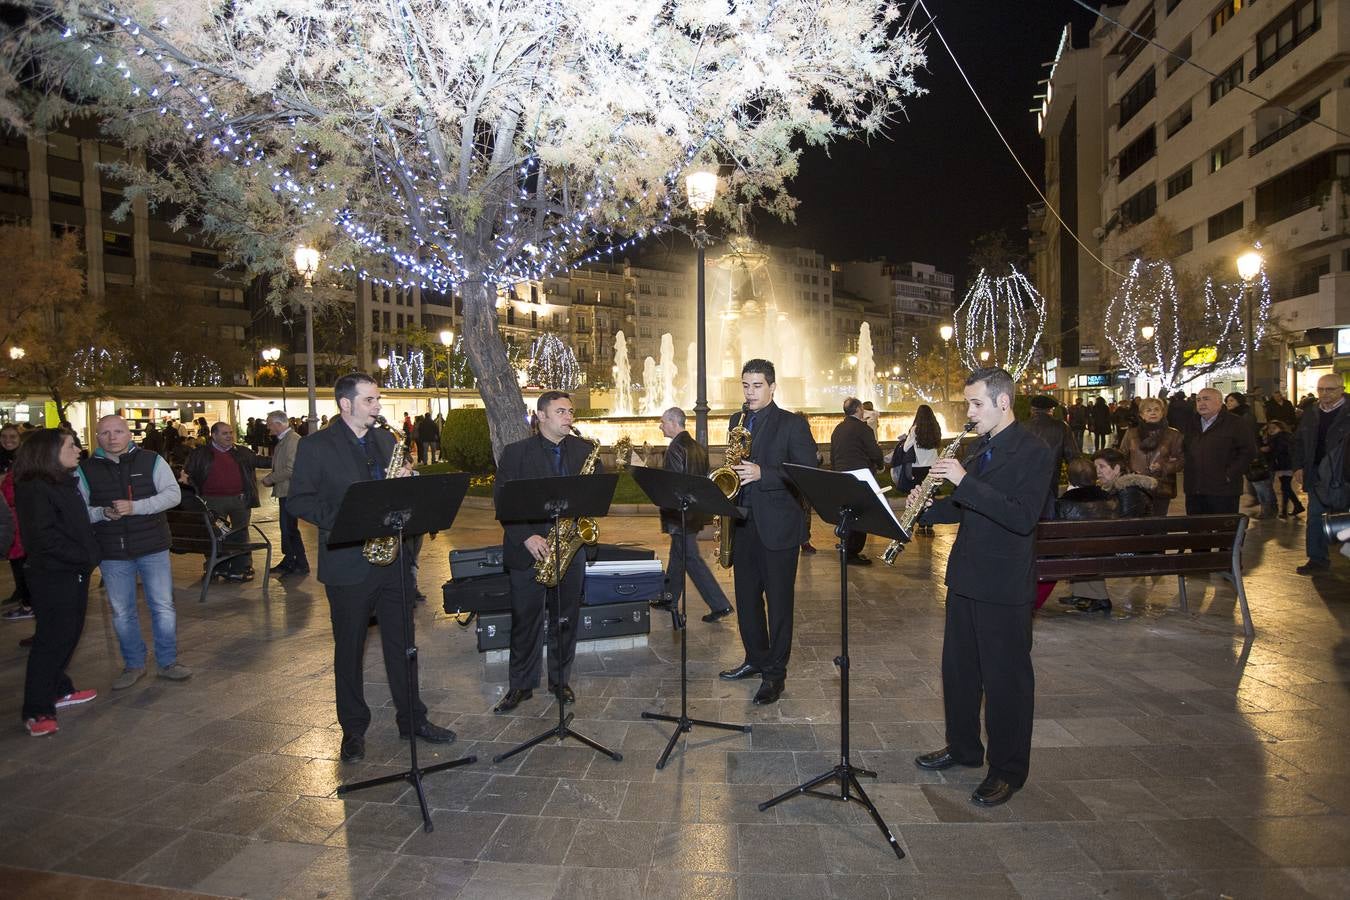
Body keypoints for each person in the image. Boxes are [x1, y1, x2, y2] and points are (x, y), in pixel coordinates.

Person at [287, 373, 456, 762]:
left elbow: (395, 494)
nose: (377, 406)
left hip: (391, 562)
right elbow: (299, 501)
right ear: (345, 404)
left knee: (404, 646)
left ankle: (412, 718)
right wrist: (346, 517)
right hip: (348, 564)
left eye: (377, 399)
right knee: (349, 650)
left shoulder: (385, 440)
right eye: (369, 400)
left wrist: (407, 483)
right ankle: (353, 729)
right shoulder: (316, 446)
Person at [913, 367, 1055, 807]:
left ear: (1003, 403)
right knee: (959, 673)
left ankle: (1008, 770)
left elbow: (1020, 516)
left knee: (1005, 681)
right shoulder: (980, 446)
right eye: (968, 404)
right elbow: (963, 506)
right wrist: (921, 510)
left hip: (1004, 583)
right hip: (966, 576)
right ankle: (963, 748)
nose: (969, 413)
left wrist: (963, 480)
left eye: (976, 404)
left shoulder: (1033, 451)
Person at [492, 391, 603, 714]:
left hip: (569, 548)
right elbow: (503, 502)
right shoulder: (515, 454)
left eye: (570, 411)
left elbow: (593, 498)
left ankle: (559, 680)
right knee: (525, 621)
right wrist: (527, 536)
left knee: (565, 619)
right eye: (560, 412)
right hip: (530, 549)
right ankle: (521, 686)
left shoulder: (584, 451)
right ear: (541, 416)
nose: (568, 417)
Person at [718, 359, 818, 706]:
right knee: (746, 601)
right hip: (742, 522)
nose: (750, 392)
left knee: (778, 605)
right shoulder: (736, 420)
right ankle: (755, 659)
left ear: (773, 387)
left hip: (778, 528)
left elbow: (805, 472)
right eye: (745, 385)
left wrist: (765, 474)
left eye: (757, 385)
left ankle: (775, 674)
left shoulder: (792, 424)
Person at [77, 415, 190, 690]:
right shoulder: (85, 469)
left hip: (152, 546)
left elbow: (173, 494)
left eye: (117, 431)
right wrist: (101, 512)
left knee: (162, 606)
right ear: (97, 436)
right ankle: (134, 663)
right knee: (121, 611)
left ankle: (168, 662)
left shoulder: (151, 460)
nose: (112, 437)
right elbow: (78, 511)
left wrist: (136, 507)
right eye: (105, 432)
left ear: (129, 434)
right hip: (112, 550)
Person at [15, 428, 100, 736]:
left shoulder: (63, 481)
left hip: (73, 571)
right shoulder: (35, 487)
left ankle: (59, 688)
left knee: (68, 635)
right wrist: (84, 556)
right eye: (71, 445)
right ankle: (37, 710)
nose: (78, 449)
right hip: (53, 574)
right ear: (49, 452)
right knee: (51, 641)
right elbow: (44, 538)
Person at [653, 406, 733, 624]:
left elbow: (674, 484)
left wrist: (656, 487)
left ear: (673, 422)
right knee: (678, 556)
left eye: (663, 422)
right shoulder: (698, 447)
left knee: (692, 559)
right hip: (693, 512)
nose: (661, 426)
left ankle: (720, 604)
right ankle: (669, 598)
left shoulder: (675, 449)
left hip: (680, 514)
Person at [185, 422, 265, 581]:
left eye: (230, 432)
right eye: (225, 433)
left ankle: (241, 567)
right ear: (214, 435)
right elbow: (188, 473)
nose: (229, 436)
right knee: (214, 535)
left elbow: (261, 461)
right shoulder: (200, 453)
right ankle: (216, 567)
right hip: (212, 501)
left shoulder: (242, 452)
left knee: (241, 534)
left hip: (240, 500)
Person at [1292, 374, 1349, 574]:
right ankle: (1317, 559)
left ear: (1341, 389)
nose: (1324, 394)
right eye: (1321, 389)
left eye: (1329, 390)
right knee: (1315, 516)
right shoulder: (1312, 412)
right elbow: (1298, 440)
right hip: (1317, 471)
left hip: (1344, 472)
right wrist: (1298, 466)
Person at [1052, 456, 1116, 612]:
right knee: (1087, 547)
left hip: (1078, 553)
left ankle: (1101, 599)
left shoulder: (1065, 502)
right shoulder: (1109, 499)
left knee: (1079, 548)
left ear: (1071, 479)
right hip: (1107, 550)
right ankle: (1081, 593)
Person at [1182, 387, 1257, 515]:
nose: (1201, 403)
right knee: (1196, 530)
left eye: (1206, 399)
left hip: (1223, 490)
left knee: (1223, 530)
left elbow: (1248, 451)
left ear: (1219, 402)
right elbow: (1184, 449)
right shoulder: (1191, 423)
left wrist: (1229, 474)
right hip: (1195, 489)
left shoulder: (1236, 423)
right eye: (1198, 400)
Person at [830, 397, 885, 564]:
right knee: (861, 514)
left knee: (847, 513)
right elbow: (874, 452)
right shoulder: (863, 429)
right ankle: (853, 552)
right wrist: (880, 463)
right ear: (859, 410)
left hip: (842, 477)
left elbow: (833, 456)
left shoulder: (838, 429)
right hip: (860, 477)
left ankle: (847, 547)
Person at [261, 410, 308, 577]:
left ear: (278, 424)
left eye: (269, 424)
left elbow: (291, 468)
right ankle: (295, 561)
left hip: (290, 491)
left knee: (288, 528)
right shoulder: (286, 440)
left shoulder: (292, 440)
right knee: (288, 528)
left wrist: (270, 479)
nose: (268, 428)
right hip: (286, 490)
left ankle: (294, 562)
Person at [1118, 397, 1183, 517]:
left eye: (1156, 409)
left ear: (1162, 413)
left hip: (1161, 486)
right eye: (1148, 410)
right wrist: (1129, 472)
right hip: (1135, 486)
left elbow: (1181, 460)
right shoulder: (1131, 433)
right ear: (1142, 414)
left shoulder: (1173, 434)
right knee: (1136, 525)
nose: (1153, 412)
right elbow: (1121, 456)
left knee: (1158, 525)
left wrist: (1163, 467)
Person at [892, 404, 942, 536]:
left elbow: (905, 448)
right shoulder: (936, 428)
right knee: (930, 495)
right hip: (932, 466)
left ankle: (921, 524)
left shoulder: (915, 429)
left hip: (917, 467)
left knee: (918, 497)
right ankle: (930, 525)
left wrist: (905, 439)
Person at [1025, 395, 1079, 471]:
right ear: (1051, 410)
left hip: (1024, 478)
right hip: (1051, 478)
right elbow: (1072, 456)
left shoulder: (1021, 427)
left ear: (1032, 409)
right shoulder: (1062, 427)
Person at [1265, 420, 1304, 519]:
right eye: (1269, 428)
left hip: (1285, 465)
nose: (1271, 430)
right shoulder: (1284, 436)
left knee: (1285, 487)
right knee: (1285, 487)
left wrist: (1269, 450)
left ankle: (1290, 509)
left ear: (1280, 428)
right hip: (1285, 465)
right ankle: (1291, 508)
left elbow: (1279, 451)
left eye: (1274, 428)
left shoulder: (1280, 438)